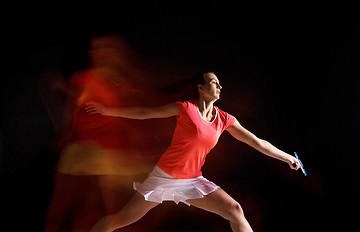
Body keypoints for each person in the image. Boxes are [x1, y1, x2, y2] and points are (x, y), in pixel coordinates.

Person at [85, 71, 301, 232]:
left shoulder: (224, 119)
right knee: (119, 220)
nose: (219, 86)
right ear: (201, 87)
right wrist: (107, 110)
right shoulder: (186, 109)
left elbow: (257, 142)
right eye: (214, 82)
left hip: (192, 180)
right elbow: (144, 113)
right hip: (163, 177)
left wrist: (287, 157)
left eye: (219, 83)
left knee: (234, 210)